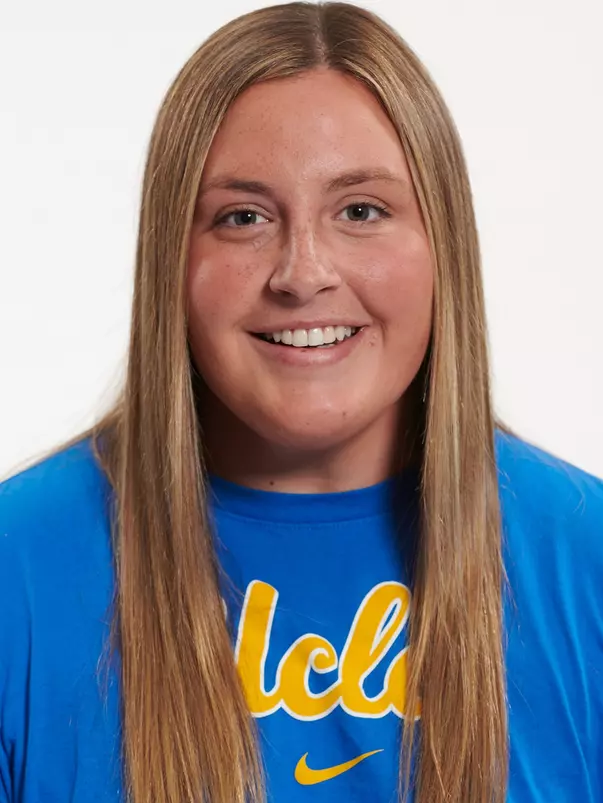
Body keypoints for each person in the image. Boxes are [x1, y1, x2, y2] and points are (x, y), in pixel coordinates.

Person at [0, 2, 601, 802]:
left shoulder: (582, 554)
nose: (301, 272)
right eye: (241, 217)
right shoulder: (20, 568)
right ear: (170, 262)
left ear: (441, 246)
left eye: (360, 210)